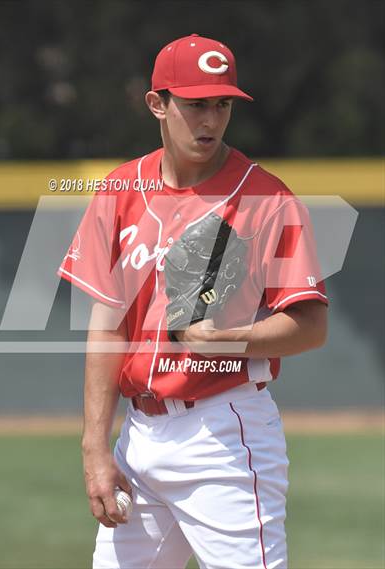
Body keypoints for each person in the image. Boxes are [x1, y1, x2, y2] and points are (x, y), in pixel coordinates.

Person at [58, 33, 328, 569]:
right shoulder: (120, 190)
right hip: (139, 438)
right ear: (158, 104)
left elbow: (311, 324)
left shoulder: (266, 197)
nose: (211, 120)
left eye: (222, 104)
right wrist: (95, 446)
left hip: (223, 434)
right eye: (196, 104)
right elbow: (107, 328)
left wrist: (232, 339)